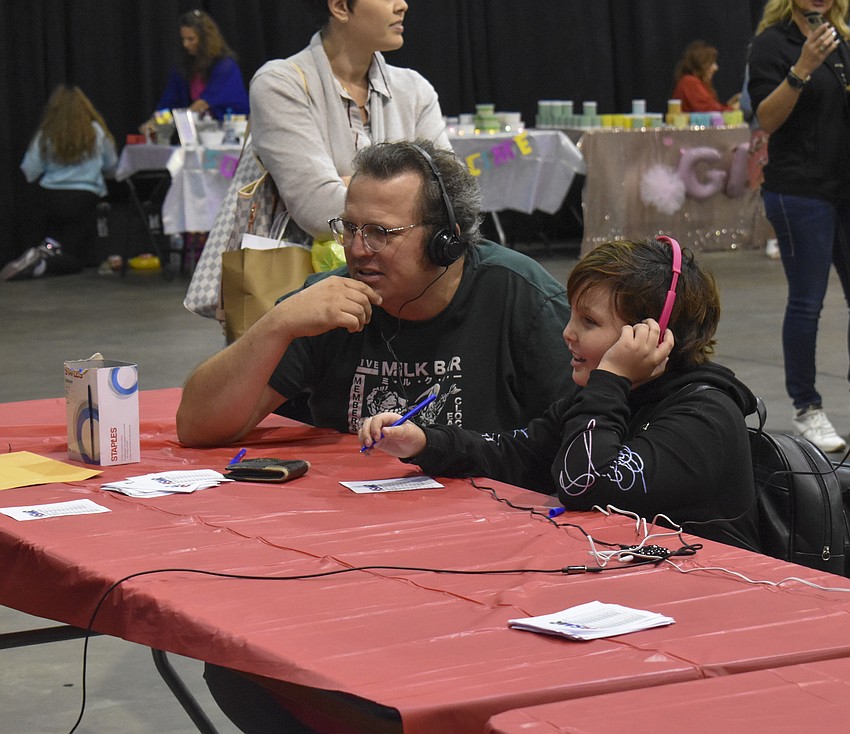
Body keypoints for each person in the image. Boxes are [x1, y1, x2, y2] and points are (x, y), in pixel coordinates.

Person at [359, 237, 762, 553]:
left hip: (706, 598)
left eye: (589, 321)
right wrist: (425, 442)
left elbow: (584, 484)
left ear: (652, 336)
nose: (568, 333)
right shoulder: (610, 395)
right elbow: (517, 455)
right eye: (572, 315)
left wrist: (611, 379)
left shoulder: (704, 416)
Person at [176, 139, 576, 447]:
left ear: (445, 241)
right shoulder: (327, 304)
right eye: (350, 228)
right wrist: (276, 325)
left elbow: (583, 437)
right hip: (350, 513)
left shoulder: (521, 298)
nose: (356, 248)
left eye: (380, 233)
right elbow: (197, 427)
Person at [248, 0, 450, 239]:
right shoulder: (280, 84)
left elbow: (449, 194)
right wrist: (410, 193)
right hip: (307, 261)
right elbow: (320, 210)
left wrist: (348, 184)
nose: (402, 5)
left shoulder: (415, 89)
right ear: (340, 7)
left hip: (407, 262)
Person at [747, 0, 850, 453]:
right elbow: (767, 119)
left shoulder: (841, 39)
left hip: (844, 187)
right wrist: (803, 67)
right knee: (808, 302)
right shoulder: (772, 45)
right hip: (799, 191)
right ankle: (807, 407)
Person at [2, 84, 117, 281]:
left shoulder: (46, 133)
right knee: (75, 259)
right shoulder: (97, 132)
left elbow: (30, 171)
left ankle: (39, 253)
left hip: (49, 200)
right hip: (84, 200)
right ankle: (41, 264)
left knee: (53, 243)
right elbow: (112, 167)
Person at [140, 9, 248, 131]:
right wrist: (153, 121)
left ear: (206, 39)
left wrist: (177, 121)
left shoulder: (225, 66)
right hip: (201, 130)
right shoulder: (183, 67)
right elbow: (169, 101)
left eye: (191, 39)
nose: (185, 44)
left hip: (231, 129)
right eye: (183, 39)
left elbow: (203, 103)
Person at [671, 40, 740, 112]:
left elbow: (709, 108)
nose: (716, 68)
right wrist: (733, 108)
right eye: (711, 63)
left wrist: (729, 105)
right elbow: (708, 110)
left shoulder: (692, 82)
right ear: (701, 64)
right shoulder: (689, 82)